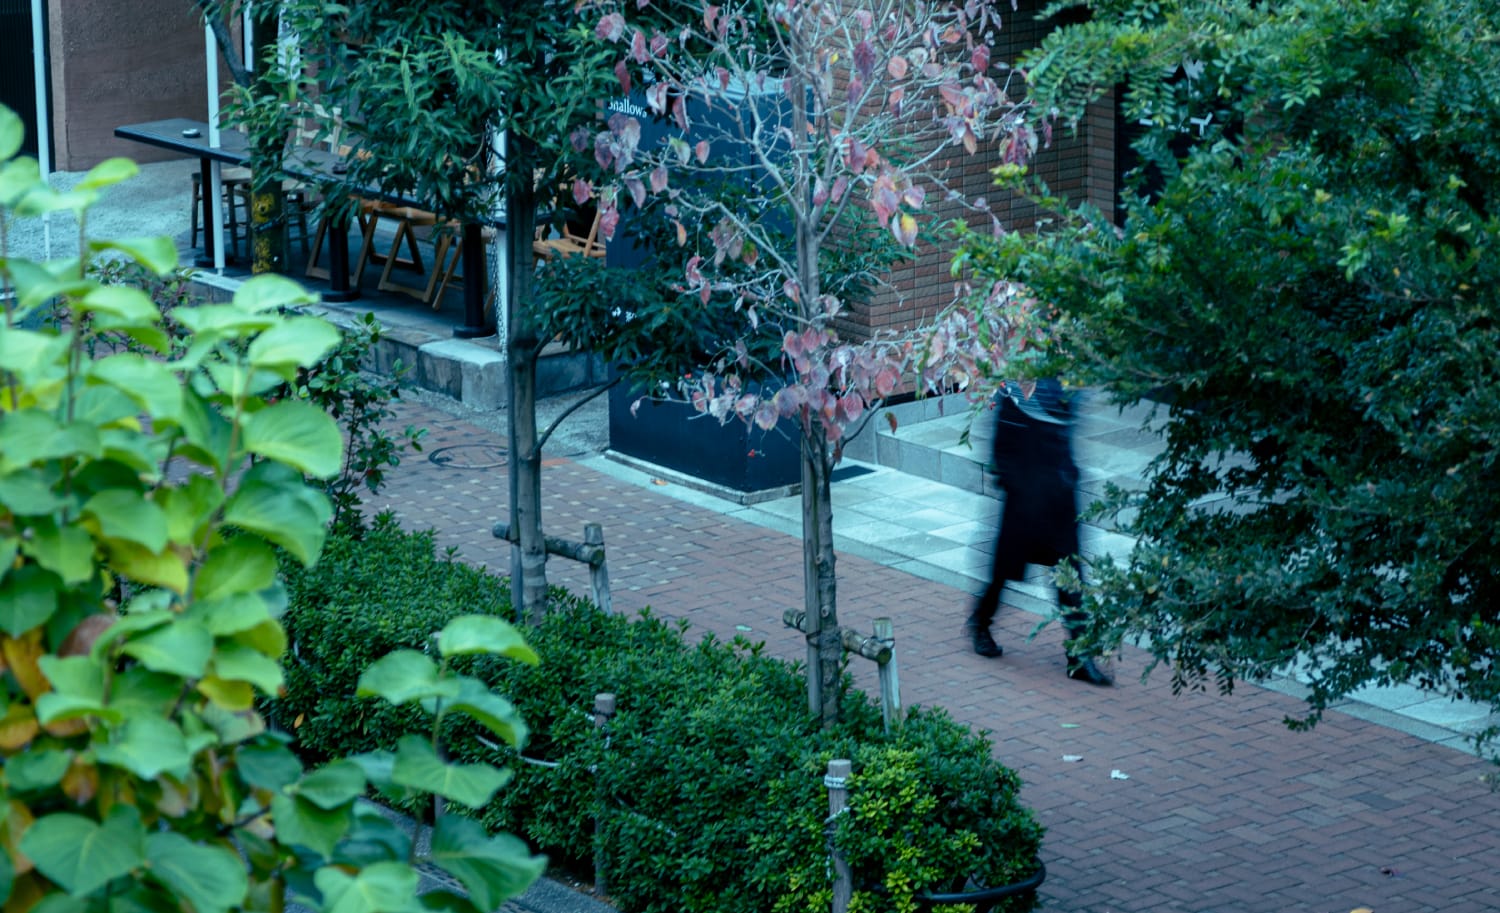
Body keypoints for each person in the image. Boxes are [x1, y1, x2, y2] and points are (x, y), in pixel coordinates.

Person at [967, 378, 1113, 686]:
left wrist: (1069, 474)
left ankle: (1079, 657)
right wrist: (1009, 480)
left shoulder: (1069, 380)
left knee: (1070, 577)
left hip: (1058, 492)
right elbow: (1002, 440)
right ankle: (980, 622)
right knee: (1004, 571)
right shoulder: (1019, 383)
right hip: (1025, 491)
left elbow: (1067, 430)